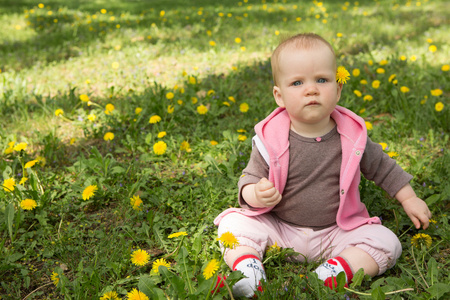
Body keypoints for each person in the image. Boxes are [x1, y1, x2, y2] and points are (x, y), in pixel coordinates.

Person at [213, 33, 431, 298]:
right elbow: (249, 178)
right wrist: (255, 194)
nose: (311, 89)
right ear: (279, 96)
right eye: (297, 82)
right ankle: (248, 271)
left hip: (336, 233)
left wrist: (409, 198)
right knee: (233, 223)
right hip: (280, 230)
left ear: (338, 89)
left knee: (387, 242)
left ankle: (331, 273)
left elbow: (383, 167)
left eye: (322, 80)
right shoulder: (270, 138)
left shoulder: (352, 136)